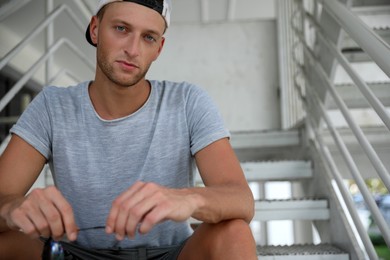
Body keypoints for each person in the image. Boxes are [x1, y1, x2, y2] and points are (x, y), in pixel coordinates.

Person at [0, 0, 257, 259]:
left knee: (234, 232)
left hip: (169, 254)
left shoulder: (187, 101)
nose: (133, 50)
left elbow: (241, 199)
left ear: (159, 48)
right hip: (75, 253)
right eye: (121, 29)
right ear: (95, 29)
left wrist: (188, 198)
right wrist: (13, 207)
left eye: (148, 37)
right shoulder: (52, 106)